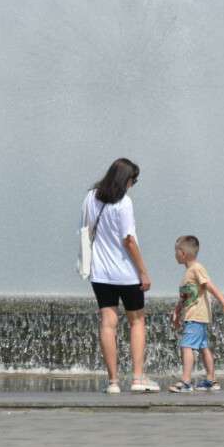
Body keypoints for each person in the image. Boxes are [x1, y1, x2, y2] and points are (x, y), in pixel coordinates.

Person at [82, 158, 159, 394]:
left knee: (108, 323)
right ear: (125, 179)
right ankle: (137, 378)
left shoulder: (90, 197)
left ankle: (113, 381)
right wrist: (143, 272)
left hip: (100, 272)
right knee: (137, 321)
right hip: (126, 273)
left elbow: (86, 230)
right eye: (133, 180)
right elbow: (129, 240)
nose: (133, 185)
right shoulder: (124, 204)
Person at [169, 235, 224, 393]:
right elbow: (185, 297)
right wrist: (176, 312)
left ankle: (186, 382)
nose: (174, 255)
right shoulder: (188, 272)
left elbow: (210, 286)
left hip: (196, 316)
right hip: (194, 316)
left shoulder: (196, 268)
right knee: (203, 347)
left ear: (182, 253)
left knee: (186, 346)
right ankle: (211, 380)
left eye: (175, 251)